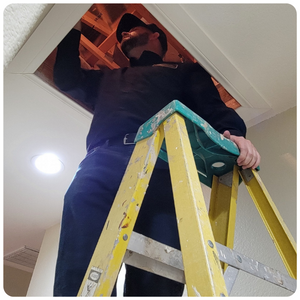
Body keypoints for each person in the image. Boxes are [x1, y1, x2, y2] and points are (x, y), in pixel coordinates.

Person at [53, 13, 260, 296]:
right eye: (121, 33)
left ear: (156, 36)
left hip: (163, 166)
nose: (123, 34)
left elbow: (212, 107)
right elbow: (67, 78)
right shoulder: (109, 78)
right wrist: (72, 23)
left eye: (132, 29)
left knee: (159, 276)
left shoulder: (183, 70)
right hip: (101, 161)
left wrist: (234, 133)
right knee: (80, 267)